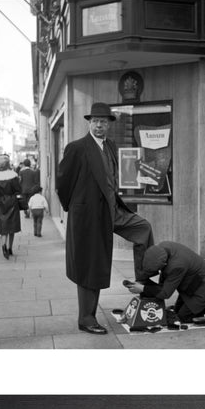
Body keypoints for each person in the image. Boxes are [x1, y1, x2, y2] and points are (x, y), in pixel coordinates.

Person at [56, 102, 154, 335]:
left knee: (143, 228)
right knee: (91, 265)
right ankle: (86, 318)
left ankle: (142, 283)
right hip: (89, 216)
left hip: (113, 210)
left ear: (109, 124)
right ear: (89, 123)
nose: (99, 125)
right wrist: (77, 209)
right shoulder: (77, 148)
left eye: (103, 121)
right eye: (95, 121)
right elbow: (63, 183)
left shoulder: (110, 146)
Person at [127, 241, 205, 323]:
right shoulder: (162, 249)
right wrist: (143, 284)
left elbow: (165, 293)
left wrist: (143, 288)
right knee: (176, 312)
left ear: (165, 263)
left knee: (183, 317)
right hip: (192, 283)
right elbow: (162, 285)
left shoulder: (176, 266)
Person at [0, 155, 22, 259]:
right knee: (12, 226)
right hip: (12, 201)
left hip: (0, 202)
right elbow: (18, 190)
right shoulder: (13, 176)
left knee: (3, 225)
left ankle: (3, 246)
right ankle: (10, 248)